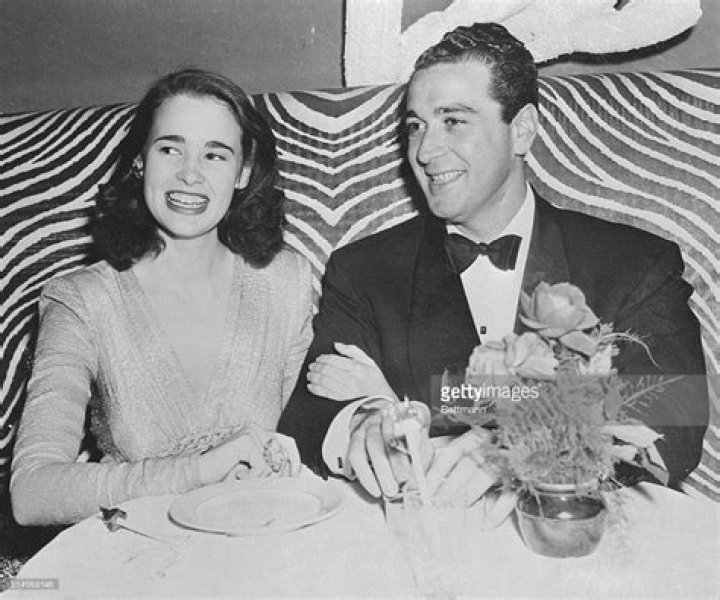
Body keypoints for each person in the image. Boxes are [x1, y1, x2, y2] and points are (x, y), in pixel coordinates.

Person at [278, 23, 708, 501]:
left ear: (521, 130)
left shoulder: (635, 263)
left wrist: (494, 434)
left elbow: (675, 419)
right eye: (416, 126)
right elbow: (308, 414)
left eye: (454, 121)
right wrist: (364, 422)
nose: (425, 151)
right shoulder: (364, 270)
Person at [11, 69, 313, 526]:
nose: (190, 174)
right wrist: (197, 471)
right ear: (140, 162)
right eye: (170, 149)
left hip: (263, 541)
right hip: (140, 552)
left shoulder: (285, 281)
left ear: (244, 172)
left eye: (215, 155)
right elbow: (31, 493)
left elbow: (310, 437)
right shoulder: (81, 301)